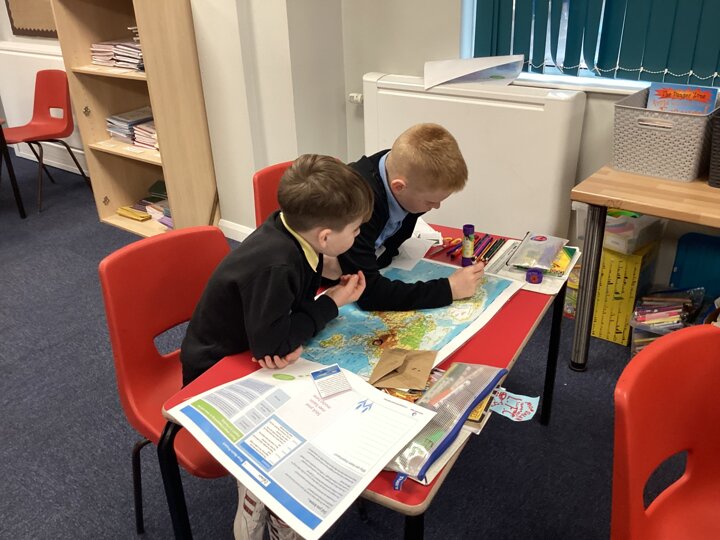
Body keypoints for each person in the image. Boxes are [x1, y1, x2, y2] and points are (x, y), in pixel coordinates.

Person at [179, 154, 374, 540]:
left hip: (248, 348)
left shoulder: (288, 231)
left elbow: (285, 319)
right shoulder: (278, 264)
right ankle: (265, 496)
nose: (357, 236)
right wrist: (331, 303)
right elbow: (273, 345)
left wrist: (319, 300)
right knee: (311, 416)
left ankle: (276, 494)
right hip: (215, 371)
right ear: (325, 237)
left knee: (327, 400)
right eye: (355, 230)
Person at [326, 123, 484, 311]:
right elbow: (368, 293)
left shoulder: (400, 170)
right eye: (430, 202)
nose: (436, 207)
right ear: (399, 187)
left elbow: (385, 251)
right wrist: (449, 289)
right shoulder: (356, 205)